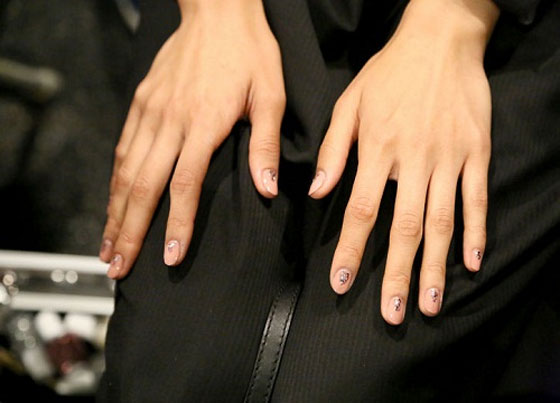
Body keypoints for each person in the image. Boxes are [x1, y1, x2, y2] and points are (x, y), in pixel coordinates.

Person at [96, 0, 560, 401]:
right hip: (234, 19)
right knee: (172, 371)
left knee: (357, 375)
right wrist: (212, 14)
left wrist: (454, 21)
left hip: (506, 32)